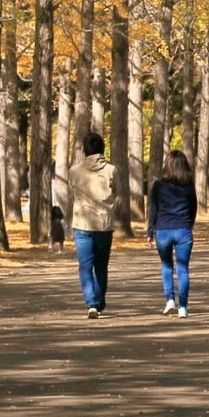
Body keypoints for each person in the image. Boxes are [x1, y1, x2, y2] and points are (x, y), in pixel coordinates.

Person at [67, 132, 118, 318]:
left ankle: (91, 302)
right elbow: (117, 192)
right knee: (101, 266)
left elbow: (72, 190)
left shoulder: (74, 171)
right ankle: (98, 300)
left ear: (84, 149)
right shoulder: (112, 170)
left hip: (81, 223)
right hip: (104, 224)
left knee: (85, 266)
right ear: (102, 148)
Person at [147, 150, 198, 319]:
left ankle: (170, 300)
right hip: (183, 229)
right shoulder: (188, 185)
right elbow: (193, 207)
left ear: (167, 165)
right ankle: (183, 306)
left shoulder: (159, 185)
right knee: (183, 269)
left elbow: (153, 209)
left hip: (163, 230)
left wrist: (150, 231)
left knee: (167, 266)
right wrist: (189, 224)